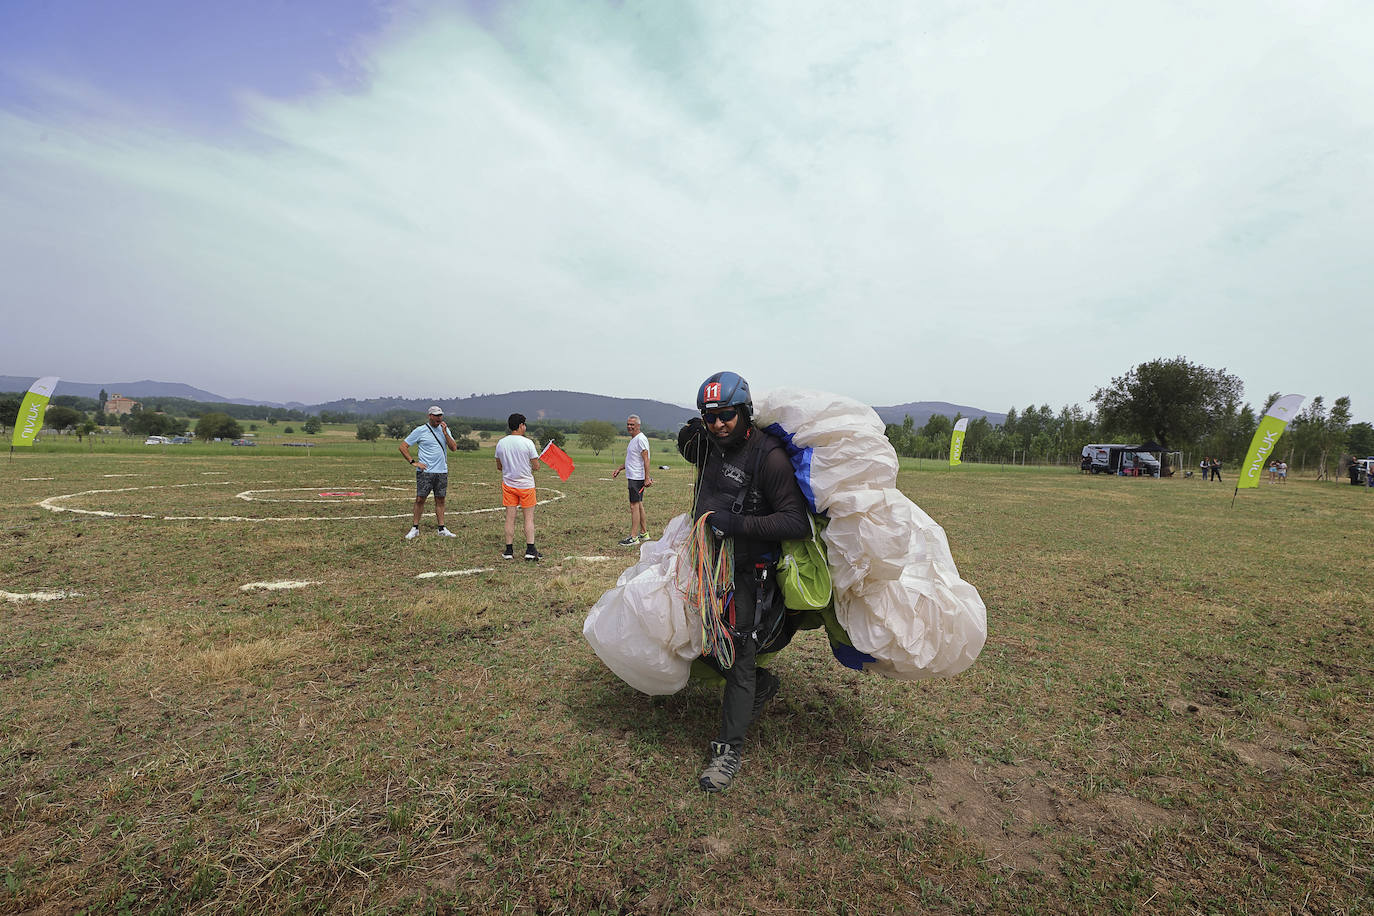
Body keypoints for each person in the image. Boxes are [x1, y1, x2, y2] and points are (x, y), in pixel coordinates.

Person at [677, 371, 810, 792]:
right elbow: (694, 447)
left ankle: (728, 751)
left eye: (727, 415)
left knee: (737, 653)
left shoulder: (766, 456)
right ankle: (760, 685)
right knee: (698, 639)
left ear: (744, 412)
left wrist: (733, 524)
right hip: (706, 564)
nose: (718, 424)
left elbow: (795, 522)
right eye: (710, 416)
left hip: (748, 574)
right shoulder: (711, 446)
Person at [398, 406, 458, 539]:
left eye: (440, 415)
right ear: (429, 416)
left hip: (442, 471)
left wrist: (445, 433)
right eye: (436, 416)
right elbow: (403, 447)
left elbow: (454, 448)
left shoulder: (445, 430)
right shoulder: (420, 430)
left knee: (440, 499)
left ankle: (441, 528)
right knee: (420, 499)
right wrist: (413, 462)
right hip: (425, 472)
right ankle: (415, 528)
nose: (439, 418)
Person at [494, 413, 543, 561]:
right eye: (525, 425)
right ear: (521, 425)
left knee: (510, 518)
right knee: (528, 519)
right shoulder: (528, 443)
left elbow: (499, 466)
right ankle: (530, 549)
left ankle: (508, 550)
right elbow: (536, 467)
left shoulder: (501, 443)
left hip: (509, 485)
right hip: (526, 486)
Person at [612, 414, 653, 546]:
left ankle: (633, 537)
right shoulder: (634, 439)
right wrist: (619, 468)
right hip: (633, 476)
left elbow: (646, 459)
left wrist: (647, 477)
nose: (629, 427)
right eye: (628, 424)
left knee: (633, 505)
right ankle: (644, 533)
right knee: (638, 504)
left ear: (638, 426)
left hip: (637, 478)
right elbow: (632, 460)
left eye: (632, 425)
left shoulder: (641, 439)